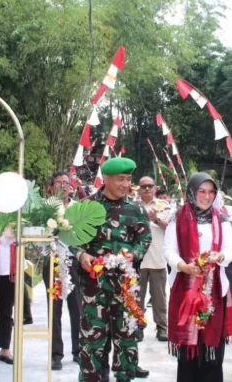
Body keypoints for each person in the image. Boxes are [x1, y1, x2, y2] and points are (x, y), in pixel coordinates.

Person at [71, 157, 152, 382]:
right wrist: (81, 254)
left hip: (125, 288)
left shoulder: (135, 209)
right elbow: (71, 238)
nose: (126, 184)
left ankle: (125, 376)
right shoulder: (86, 207)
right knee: (92, 340)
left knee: (127, 338)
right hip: (94, 287)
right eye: (121, 179)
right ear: (106, 179)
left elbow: (145, 239)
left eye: (128, 179)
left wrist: (131, 255)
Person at [164, 172, 232, 382]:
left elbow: (230, 249)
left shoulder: (222, 219)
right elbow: (169, 250)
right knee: (188, 348)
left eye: (211, 192)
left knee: (212, 348)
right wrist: (184, 267)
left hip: (214, 290)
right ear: (191, 192)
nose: (206, 196)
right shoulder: (177, 218)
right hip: (185, 290)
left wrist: (220, 256)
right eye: (202, 191)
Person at [43, 170, 83, 370]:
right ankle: (56, 354)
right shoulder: (45, 209)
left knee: (78, 309)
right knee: (55, 310)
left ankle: (79, 351)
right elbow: (39, 237)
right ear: (51, 187)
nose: (63, 186)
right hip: (53, 261)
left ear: (72, 186)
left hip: (75, 263)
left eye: (66, 182)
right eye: (58, 182)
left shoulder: (79, 208)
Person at [137, 176, 172, 342]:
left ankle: (162, 328)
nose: (147, 189)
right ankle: (137, 327)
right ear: (138, 188)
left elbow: (169, 228)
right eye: (143, 186)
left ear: (155, 188)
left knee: (159, 298)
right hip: (138, 260)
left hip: (157, 259)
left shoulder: (163, 206)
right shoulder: (132, 206)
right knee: (137, 297)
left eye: (150, 186)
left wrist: (155, 219)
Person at [213, 190, 232, 335]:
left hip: (226, 263)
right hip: (204, 266)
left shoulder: (229, 219)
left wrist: (221, 254)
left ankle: (226, 327)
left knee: (227, 297)